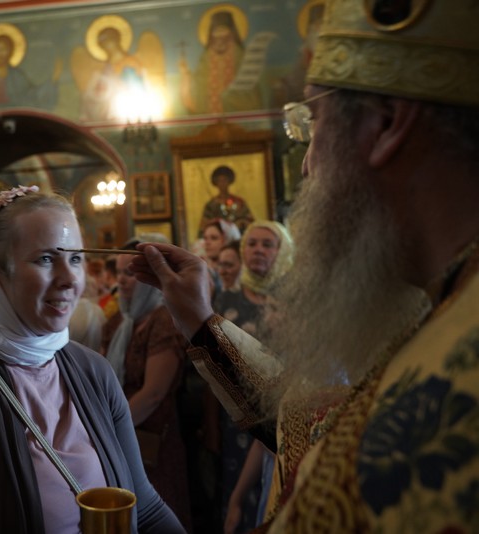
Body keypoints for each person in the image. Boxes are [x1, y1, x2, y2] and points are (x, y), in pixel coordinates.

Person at [129, 2, 479, 531]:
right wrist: (199, 320)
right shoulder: (441, 298)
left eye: (311, 123)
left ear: (386, 124)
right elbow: (319, 424)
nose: (308, 163)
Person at [0, 186, 184, 533]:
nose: (69, 279)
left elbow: (143, 506)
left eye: (75, 259)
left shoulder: (94, 372)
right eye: (45, 259)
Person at [101, 236, 194, 531]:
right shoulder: (117, 322)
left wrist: (110, 433)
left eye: (130, 273)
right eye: (119, 272)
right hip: (122, 431)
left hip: (153, 439)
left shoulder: (163, 320)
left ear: (151, 277)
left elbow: (153, 393)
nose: (121, 280)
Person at [212, 221, 293, 533]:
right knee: (236, 490)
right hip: (234, 411)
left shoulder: (294, 300)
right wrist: (210, 422)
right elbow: (213, 364)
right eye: (252, 243)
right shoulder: (225, 301)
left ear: (283, 251)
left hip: (283, 409)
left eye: (267, 244)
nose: (258, 250)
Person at [199, 166, 254, 234]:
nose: (222, 184)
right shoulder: (211, 205)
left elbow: (250, 222)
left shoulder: (239, 202)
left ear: (229, 181)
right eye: (219, 181)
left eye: (225, 180)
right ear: (216, 183)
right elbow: (204, 226)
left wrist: (241, 222)